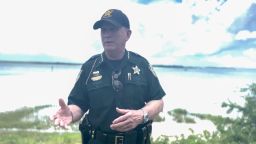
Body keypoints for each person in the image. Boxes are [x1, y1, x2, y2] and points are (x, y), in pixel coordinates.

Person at [51, 9, 166, 144]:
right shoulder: (89, 67)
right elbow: (79, 104)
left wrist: (142, 115)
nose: (107, 35)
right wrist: (70, 113)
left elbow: (158, 102)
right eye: (103, 30)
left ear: (128, 34)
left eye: (113, 29)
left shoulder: (141, 65)